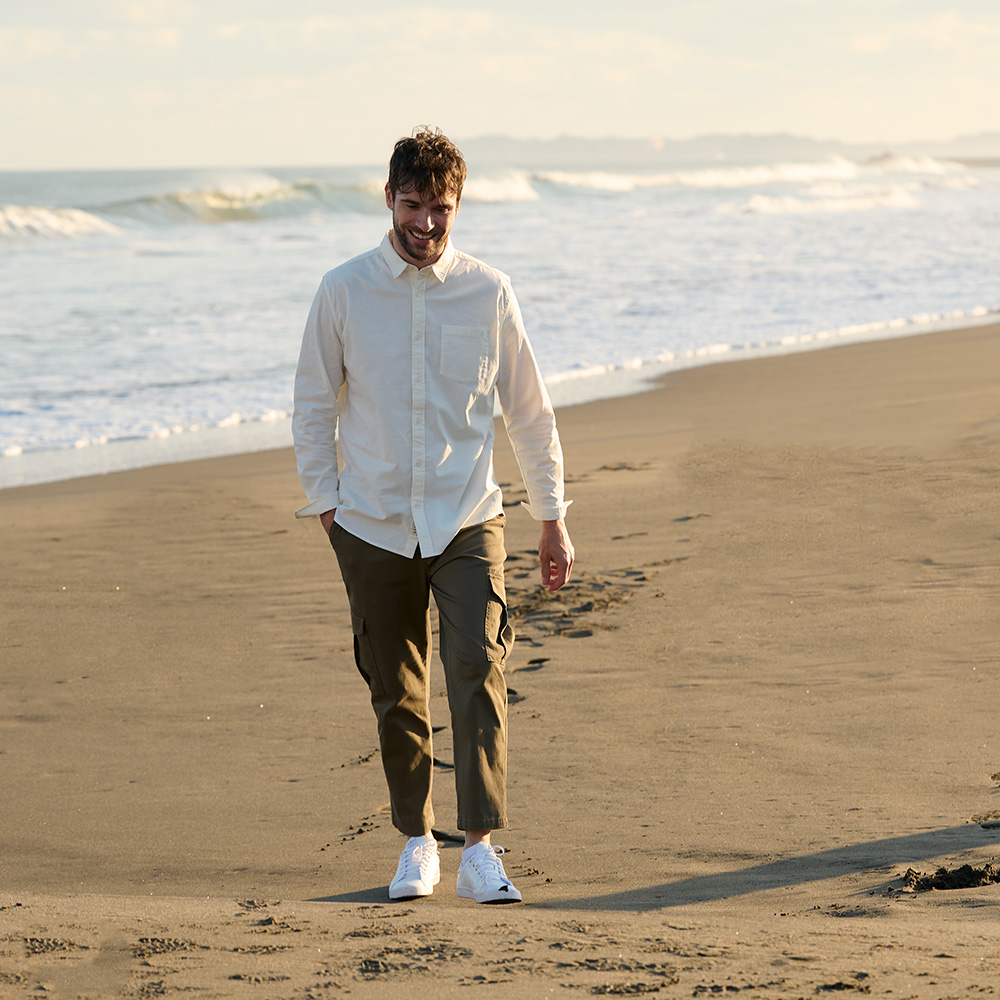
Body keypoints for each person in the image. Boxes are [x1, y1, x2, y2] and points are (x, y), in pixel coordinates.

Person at [292, 127, 574, 904]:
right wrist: (330, 511)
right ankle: (417, 842)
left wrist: (551, 515)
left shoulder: (489, 291)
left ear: (458, 204)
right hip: (370, 523)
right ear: (389, 198)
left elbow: (529, 412)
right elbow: (312, 407)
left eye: (440, 208)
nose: (425, 223)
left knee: (478, 667)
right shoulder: (343, 291)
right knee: (396, 686)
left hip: (467, 515)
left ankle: (479, 850)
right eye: (412, 205)